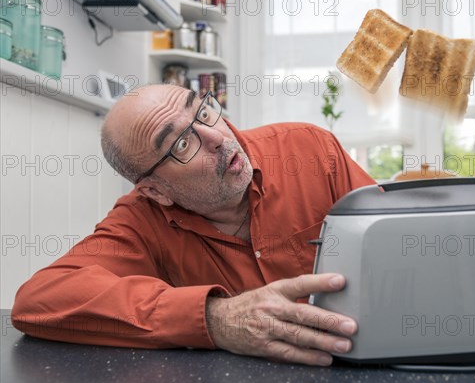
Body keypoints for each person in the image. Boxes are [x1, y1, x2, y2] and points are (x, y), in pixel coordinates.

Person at [11, 84, 376, 366]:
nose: (217, 137)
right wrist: (216, 318)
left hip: (359, 354)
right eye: (183, 143)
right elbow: (39, 300)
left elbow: (392, 238)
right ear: (156, 191)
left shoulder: (311, 150)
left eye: (202, 111)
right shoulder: (141, 219)